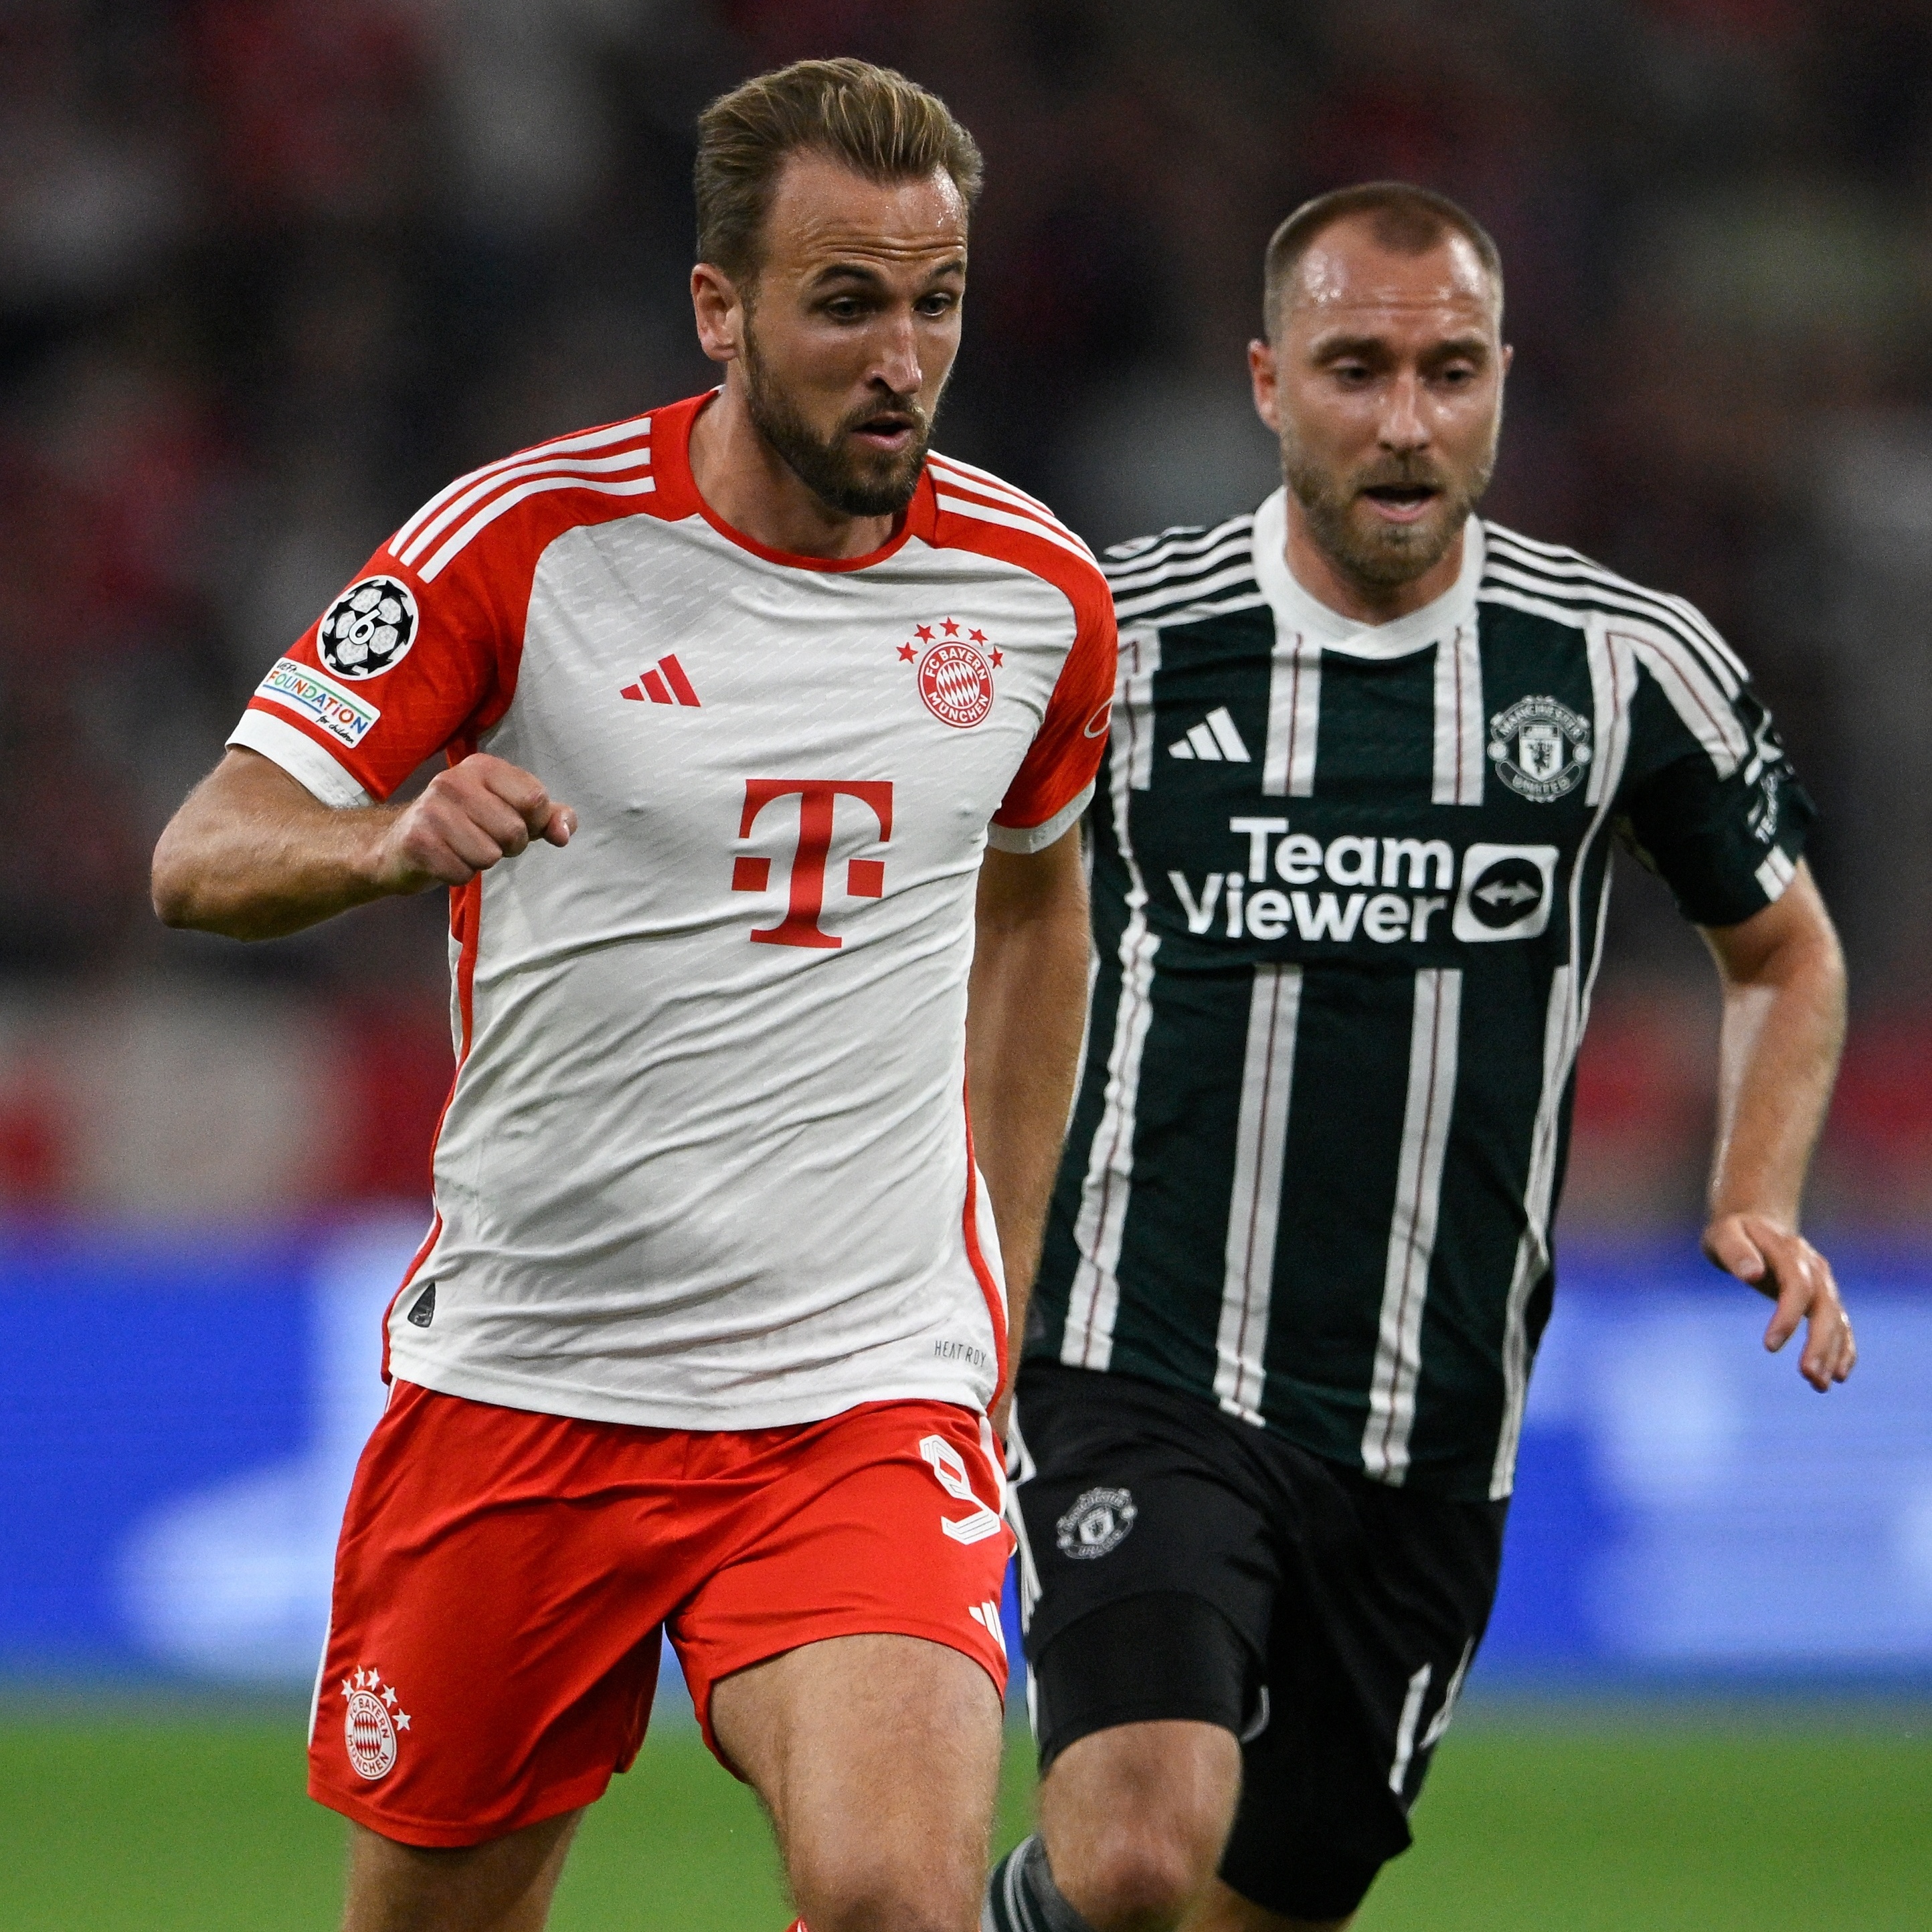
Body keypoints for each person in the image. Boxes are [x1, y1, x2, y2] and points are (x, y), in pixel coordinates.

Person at [152, 58, 1115, 1932]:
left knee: (896, 1902)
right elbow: (206, 849)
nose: (901, 357)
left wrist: (1001, 1274)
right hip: (537, 1377)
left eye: (937, 302)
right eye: (845, 302)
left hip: (862, 1388)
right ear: (720, 308)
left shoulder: (1040, 599)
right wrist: (382, 840)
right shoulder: (524, 544)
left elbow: (1038, 913)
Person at [983, 182, 1854, 1932]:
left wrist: (1756, 1190)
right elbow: (988, 932)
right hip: (1138, 1355)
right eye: (1355, 367)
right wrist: (976, 1266)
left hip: (1434, 1428)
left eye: (1448, 372)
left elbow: (1785, 947)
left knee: (1247, 1903)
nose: (1403, 421)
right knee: (1141, 1849)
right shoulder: (1117, 637)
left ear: (1505, 382)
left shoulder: (1625, 668)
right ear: (1265, 382)